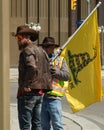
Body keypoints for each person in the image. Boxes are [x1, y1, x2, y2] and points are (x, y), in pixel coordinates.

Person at [15, 25, 52, 130]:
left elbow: (32, 66)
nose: (17, 41)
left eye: (19, 38)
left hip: (28, 92)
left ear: (27, 37)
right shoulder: (41, 51)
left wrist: (26, 83)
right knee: (37, 123)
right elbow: (46, 69)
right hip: (38, 92)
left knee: (25, 124)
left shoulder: (27, 50)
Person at [39, 37, 70, 130]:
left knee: (57, 126)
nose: (47, 49)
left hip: (54, 99)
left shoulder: (60, 60)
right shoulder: (39, 59)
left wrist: (56, 72)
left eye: (49, 46)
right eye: (45, 47)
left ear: (53, 48)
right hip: (41, 98)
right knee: (44, 127)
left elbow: (67, 76)